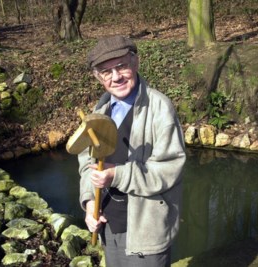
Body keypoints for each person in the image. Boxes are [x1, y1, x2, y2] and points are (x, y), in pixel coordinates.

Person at [78, 35, 186, 267]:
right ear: (98, 77)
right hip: (108, 224)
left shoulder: (160, 107)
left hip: (146, 230)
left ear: (135, 63)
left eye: (121, 66)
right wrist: (89, 204)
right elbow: (87, 161)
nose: (115, 77)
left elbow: (169, 169)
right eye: (106, 72)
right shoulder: (102, 108)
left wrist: (117, 174)